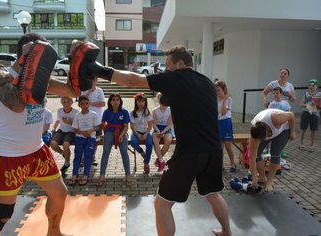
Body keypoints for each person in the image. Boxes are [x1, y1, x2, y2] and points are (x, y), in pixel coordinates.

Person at [84, 45, 231, 236]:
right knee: (213, 194)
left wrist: (96, 69)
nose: (166, 69)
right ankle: (227, 233)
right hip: (213, 150)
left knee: (161, 204)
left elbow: (131, 80)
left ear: (180, 63)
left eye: (168, 65)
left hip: (189, 153)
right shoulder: (206, 82)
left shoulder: (176, 78)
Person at [0, 33, 81, 236]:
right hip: (9, 156)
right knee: (3, 213)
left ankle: (54, 232)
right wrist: (25, 61)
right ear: (25, 53)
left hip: (37, 151)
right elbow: (18, 105)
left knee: (59, 193)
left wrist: (76, 60)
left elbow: (73, 92)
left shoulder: (42, 78)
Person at [249, 109, 295, 192]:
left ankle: (269, 182)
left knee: (275, 154)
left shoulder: (276, 118)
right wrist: (254, 178)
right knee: (257, 154)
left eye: (261, 140)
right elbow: (252, 158)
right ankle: (262, 177)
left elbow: (291, 115)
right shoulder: (255, 133)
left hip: (283, 130)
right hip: (265, 130)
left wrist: (292, 131)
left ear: (266, 133)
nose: (259, 142)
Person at [96, 93, 132, 187]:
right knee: (106, 151)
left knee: (124, 151)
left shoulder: (124, 112)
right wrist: (105, 132)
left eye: (117, 100)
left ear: (120, 101)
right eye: (113, 100)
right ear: (110, 102)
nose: (115, 102)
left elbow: (125, 126)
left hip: (121, 132)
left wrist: (121, 135)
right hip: (109, 132)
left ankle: (128, 175)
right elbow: (103, 123)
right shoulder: (107, 112)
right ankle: (102, 175)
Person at [68, 95, 101, 186]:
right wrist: (82, 133)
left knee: (88, 156)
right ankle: (74, 175)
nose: (85, 105)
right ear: (79, 105)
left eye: (86, 103)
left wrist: (90, 131)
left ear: (89, 104)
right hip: (79, 138)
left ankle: (85, 175)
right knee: (77, 156)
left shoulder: (94, 114)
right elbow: (75, 129)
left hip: (90, 138)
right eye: (82, 104)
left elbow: (97, 126)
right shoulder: (77, 116)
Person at [50, 96, 79, 175]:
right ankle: (63, 153)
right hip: (61, 130)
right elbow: (58, 121)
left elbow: (77, 125)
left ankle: (67, 163)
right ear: (61, 103)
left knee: (65, 145)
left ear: (71, 102)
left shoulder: (75, 112)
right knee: (53, 144)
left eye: (68, 102)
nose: (66, 104)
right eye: (64, 102)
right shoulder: (59, 110)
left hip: (71, 131)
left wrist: (70, 122)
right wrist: (53, 128)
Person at [81, 76, 105, 165]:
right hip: (85, 119)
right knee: (85, 138)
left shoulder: (99, 90)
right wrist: (88, 93)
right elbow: (81, 102)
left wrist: (89, 103)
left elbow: (102, 103)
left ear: (96, 81)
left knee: (96, 139)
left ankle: (92, 156)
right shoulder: (84, 90)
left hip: (97, 119)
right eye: (90, 80)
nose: (92, 82)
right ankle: (83, 157)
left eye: (93, 80)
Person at [214, 81, 236, 172]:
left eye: (219, 90)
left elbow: (223, 112)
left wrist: (224, 100)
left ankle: (232, 163)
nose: (217, 93)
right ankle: (221, 165)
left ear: (224, 90)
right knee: (220, 147)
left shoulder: (229, 99)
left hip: (226, 123)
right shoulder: (215, 99)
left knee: (228, 146)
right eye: (216, 91)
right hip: (217, 123)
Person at [130, 92, 153, 174]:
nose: (141, 103)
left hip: (145, 132)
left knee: (150, 144)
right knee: (133, 142)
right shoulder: (133, 113)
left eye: (143, 101)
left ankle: (146, 163)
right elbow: (132, 126)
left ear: (145, 102)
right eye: (139, 101)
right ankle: (142, 152)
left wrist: (146, 134)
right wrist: (138, 134)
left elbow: (150, 125)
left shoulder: (147, 112)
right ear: (136, 102)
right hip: (136, 132)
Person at [152, 92, 174, 172]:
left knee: (168, 140)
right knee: (155, 141)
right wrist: (158, 131)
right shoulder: (155, 111)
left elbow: (169, 124)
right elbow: (154, 124)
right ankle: (161, 162)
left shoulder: (170, 110)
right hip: (157, 129)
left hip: (166, 129)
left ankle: (158, 159)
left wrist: (163, 132)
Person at [299, 79, 321, 152]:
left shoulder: (319, 95)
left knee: (313, 130)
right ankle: (301, 143)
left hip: (315, 114)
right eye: (310, 85)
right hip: (306, 113)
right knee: (303, 129)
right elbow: (302, 104)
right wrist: (308, 105)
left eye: (313, 85)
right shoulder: (306, 94)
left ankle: (312, 145)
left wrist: (317, 105)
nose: (311, 87)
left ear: (316, 86)